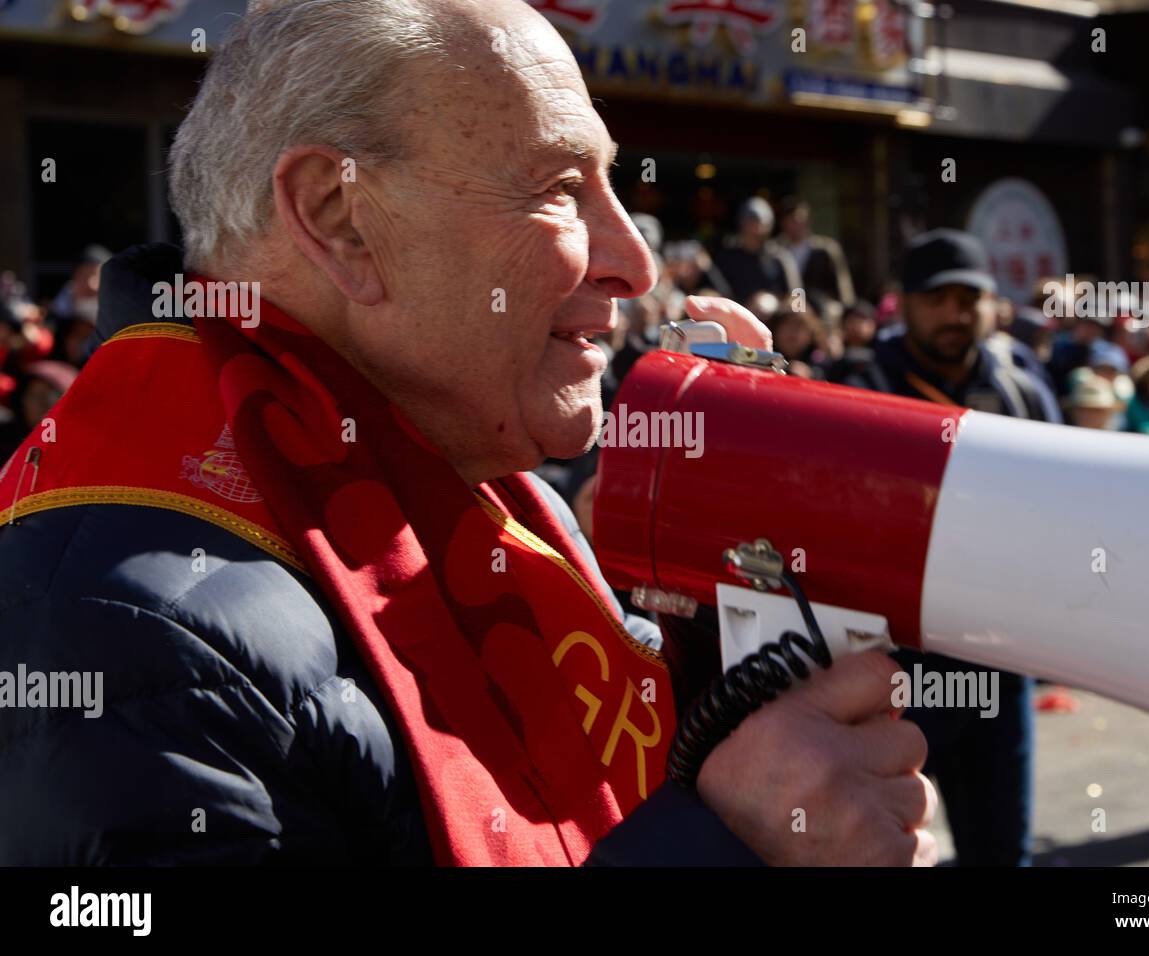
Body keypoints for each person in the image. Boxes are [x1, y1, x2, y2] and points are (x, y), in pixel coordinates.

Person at [0, 0, 935, 867]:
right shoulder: (125, 637)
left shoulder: (468, 474)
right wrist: (733, 844)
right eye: (562, 187)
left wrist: (712, 624)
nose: (633, 259)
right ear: (341, 217)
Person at [831, 228, 1046, 866]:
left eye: (968, 298)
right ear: (905, 302)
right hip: (894, 668)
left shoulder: (1022, 387)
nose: (955, 313)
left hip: (1000, 665)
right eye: (937, 298)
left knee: (1002, 852)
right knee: (880, 853)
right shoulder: (858, 381)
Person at [712, 196, 800, 305]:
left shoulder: (781, 257)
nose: (756, 230)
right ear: (742, 225)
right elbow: (715, 294)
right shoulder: (727, 259)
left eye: (762, 224)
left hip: (776, 319)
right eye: (750, 223)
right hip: (735, 318)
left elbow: (798, 298)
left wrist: (773, 305)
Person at [776, 196, 855, 312]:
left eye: (800, 218)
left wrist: (844, 309)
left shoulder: (825, 249)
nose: (796, 223)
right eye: (791, 219)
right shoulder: (776, 250)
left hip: (822, 309)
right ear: (783, 223)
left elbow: (843, 287)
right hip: (790, 312)